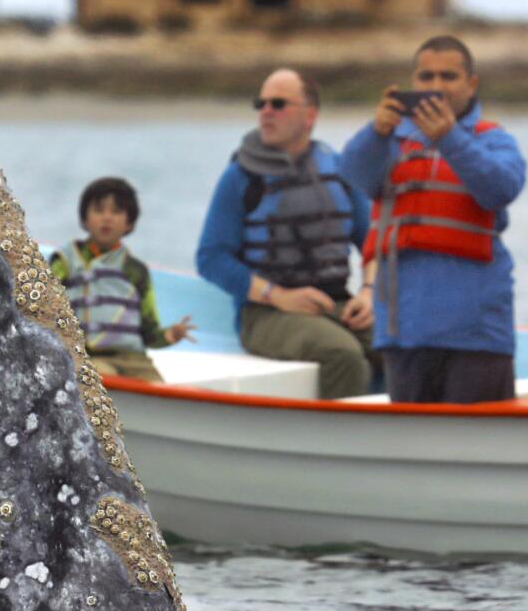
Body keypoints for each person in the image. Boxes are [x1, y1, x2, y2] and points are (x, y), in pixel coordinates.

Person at [339, 34, 526, 403]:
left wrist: (450, 138)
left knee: (476, 449)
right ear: (413, 83)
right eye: (426, 77)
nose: (436, 87)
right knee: (412, 448)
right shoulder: (390, 141)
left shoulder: (495, 140)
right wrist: (375, 132)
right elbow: (354, 174)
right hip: (405, 331)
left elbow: (501, 188)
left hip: (475, 335)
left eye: (448, 77)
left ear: (471, 84)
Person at [196, 67, 374, 400]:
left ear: (310, 115)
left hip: (336, 302)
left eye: (278, 103)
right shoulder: (240, 177)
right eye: (260, 103)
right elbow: (211, 258)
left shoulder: (340, 170)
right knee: (344, 355)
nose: (265, 111)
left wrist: (368, 292)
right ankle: (339, 446)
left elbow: (375, 243)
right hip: (267, 313)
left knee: (400, 345)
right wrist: (277, 296)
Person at [47, 176, 194, 383]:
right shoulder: (65, 261)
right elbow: (44, 306)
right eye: (99, 210)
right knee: (101, 379)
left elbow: (148, 332)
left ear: (129, 222)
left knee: (160, 390)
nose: (107, 218)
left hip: (135, 361)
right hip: (88, 359)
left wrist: (171, 335)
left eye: (116, 212)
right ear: (85, 219)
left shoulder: (136, 271)